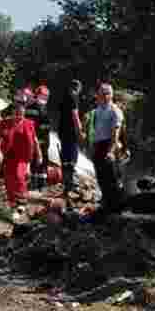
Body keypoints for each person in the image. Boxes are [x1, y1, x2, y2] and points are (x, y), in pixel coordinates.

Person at [0, 90, 43, 221]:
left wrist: (39, 154)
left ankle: (21, 204)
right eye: (17, 114)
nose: (19, 116)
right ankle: (13, 206)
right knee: (9, 181)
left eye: (21, 114)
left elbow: (34, 140)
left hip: (22, 157)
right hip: (8, 156)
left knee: (19, 177)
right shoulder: (5, 123)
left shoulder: (28, 124)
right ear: (13, 112)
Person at [91, 84, 126, 212]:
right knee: (101, 177)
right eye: (101, 93)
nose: (104, 96)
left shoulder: (115, 111)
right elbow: (96, 130)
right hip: (99, 145)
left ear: (111, 95)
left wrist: (111, 151)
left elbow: (116, 132)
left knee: (113, 178)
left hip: (110, 145)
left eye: (107, 93)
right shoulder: (98, 110)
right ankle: (106, 204)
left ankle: (117, 208)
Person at [57, 79, 84, 210]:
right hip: (71, 131)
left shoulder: (63, 98)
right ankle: (70, 182)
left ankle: (66, 182)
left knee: (66, 157)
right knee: (72, 156)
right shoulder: (73, 97)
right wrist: (79, 130)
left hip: (62, 131)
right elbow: (74, 114)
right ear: (77, 88)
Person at [26, 85, 51, 192]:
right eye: (44, 96)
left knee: (37, 162)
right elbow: (42, 127)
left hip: (38, 140)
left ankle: (36, 185)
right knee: (39, 162)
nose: (45, 99)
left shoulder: (31, 107)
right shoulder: (41, 109)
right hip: (40, 140)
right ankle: (39, 185)